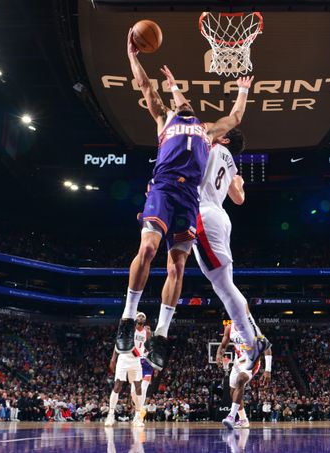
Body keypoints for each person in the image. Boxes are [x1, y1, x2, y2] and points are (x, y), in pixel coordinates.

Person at [115, 29, 254, 372]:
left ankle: (161, 333)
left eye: (185, 100)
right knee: (147, 250)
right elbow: (147, 88)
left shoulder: (207, 132)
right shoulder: (164, 118)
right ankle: (127, 318)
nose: (185, 103)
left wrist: (243, 91)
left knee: (177, 266)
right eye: (182, 100)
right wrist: (133, 58)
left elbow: (235, 119)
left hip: (189, 197)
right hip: (163, 188)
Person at [186, 98, 269, 366]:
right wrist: (241, 184)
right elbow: (239, 199)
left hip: (204, 215)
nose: (211, 127)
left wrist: (176, 92)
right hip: (221, 218)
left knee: (221, 285)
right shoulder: (231, 162)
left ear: (223, 139)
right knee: (226, 284)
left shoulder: (209, 144)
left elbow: (203, 123)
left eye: (217, 129)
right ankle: (255, 335)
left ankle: (251, 340)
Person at [216, 320, 272, 429]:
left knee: (241, 379)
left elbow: (267, 347)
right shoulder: (229, 328)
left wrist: (267, 370)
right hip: (238, 362)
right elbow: (223, 345)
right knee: (233, 393)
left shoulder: (252, 328)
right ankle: (243, 419)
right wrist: (219, 354)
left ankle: (231, 417)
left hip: (251, 362)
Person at [107, 312, 149, 427]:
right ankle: (110, 414)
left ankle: (137, 416)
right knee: (118, 385)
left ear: (145, 320)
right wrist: (113, 359)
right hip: (124, 358)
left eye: (143, 316)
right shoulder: (129, 329)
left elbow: (147, 347)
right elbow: (118, 343)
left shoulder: (147, 332)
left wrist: (146, 355)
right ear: (135, 319)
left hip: (136, 361)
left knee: (138, 387)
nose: (141, 317)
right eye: (139, 316)